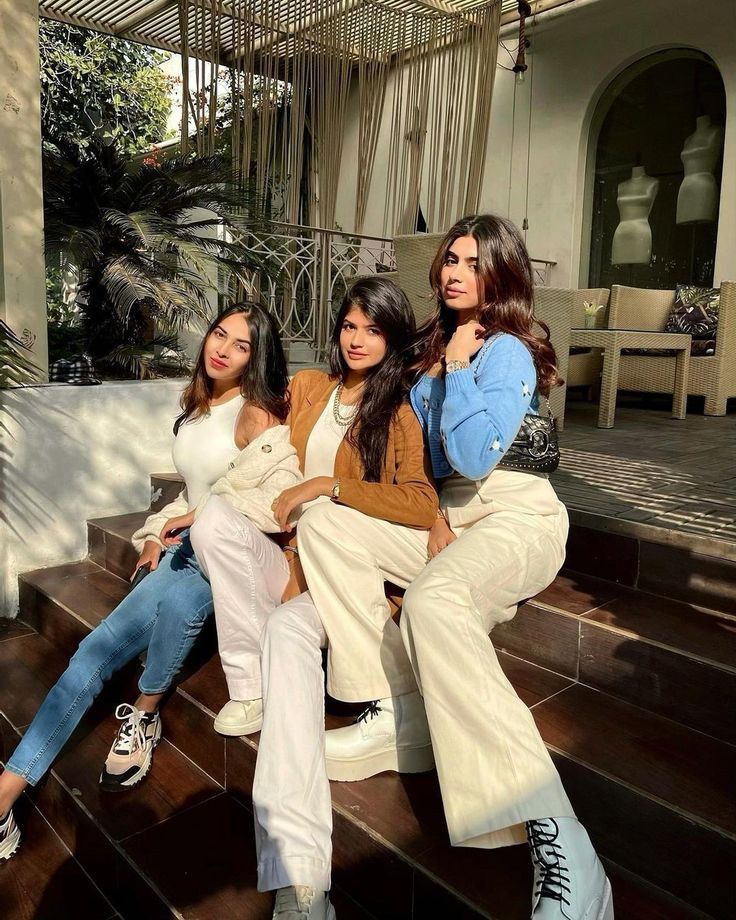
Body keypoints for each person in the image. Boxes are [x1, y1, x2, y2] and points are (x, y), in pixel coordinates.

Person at [298, 216, 613, 920]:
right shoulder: (433, 350)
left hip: (518, 515)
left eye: (472, 261)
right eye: (448, 259)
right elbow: (437, 467)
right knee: (328, 523)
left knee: (436, 603)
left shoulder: (504, 352)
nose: (453, 271)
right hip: (454, 515)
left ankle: (560, 837)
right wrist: (433, 510)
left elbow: (475, 457)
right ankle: (395, 711)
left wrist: (461, 370)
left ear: (499, 272)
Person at [0, 302, 300, 862]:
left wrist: (204, 516)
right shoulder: (197, 407)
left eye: (240, 345)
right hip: (183, 548)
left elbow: (278, 500)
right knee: (93, 650)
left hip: (226, 556)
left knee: (184, 602)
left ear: (254, 358)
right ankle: (8, 791)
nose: (223, 349)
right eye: (219, 334)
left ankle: (144, 710)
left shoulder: (257, 416)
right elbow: (190, 491)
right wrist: (155, 530)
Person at [190, 277, 438, 920]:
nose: (357, 340)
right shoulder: (308, 389)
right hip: (296, 563)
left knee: (286, 634)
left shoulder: (397, 413)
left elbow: (418, 501)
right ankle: (302, 876)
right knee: (215, 518)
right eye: (350, 326)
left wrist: (330, 485)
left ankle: (303, 885)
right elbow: (256, 396)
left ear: (392, 340)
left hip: (348, 582)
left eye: (373, 330)